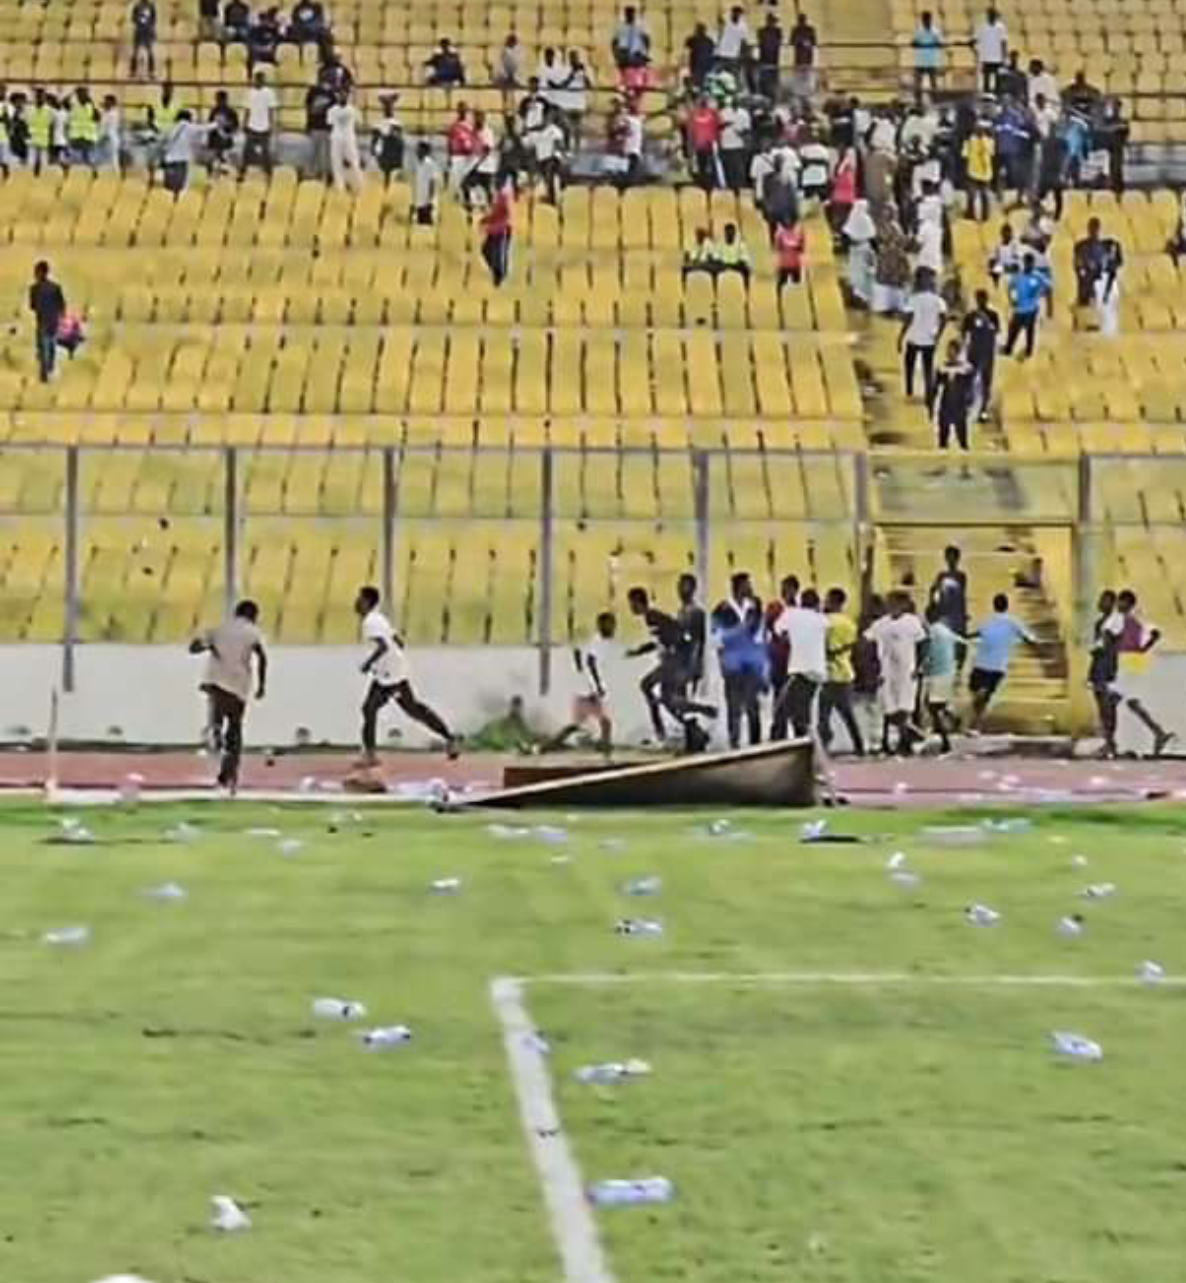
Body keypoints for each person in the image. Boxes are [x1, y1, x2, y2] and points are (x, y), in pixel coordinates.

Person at [355, 585, 459, 764]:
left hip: (388, 675)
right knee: (412, 709)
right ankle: (450, 738)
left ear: (366, 602)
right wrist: (392, 662)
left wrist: (368, 664)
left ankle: (370, 755)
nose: (356, 603)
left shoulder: (370, 622)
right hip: (395, 671)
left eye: (360, 599)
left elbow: (383, 646)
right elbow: (398, 641)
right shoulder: (380, 619)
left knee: (369, 709)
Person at [188, 599, 267, 794]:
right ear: (253, 615)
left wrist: (209, 647)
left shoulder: (220, 629)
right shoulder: (252, 632)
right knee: (235, 730)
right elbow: (262, 657)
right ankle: (228, 774)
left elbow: (195, 647)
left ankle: (214, 731)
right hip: (238, 685)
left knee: (217, 710)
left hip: (215, 681)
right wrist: (261, 685)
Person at [627, 585, 716, 749]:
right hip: (674, 660)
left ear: (638, 602)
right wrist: (638, 651)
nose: (630, 608)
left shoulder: (652, 616)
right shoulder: (651, 617)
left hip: (674, 662)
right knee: (669, 701)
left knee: (646, 685)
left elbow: (674, 633)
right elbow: (660, 639)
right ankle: (700, 720)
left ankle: (660, 731)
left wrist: (673, 649)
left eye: (631, 604)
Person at [1106, 589, 1174, 757]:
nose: (1118, 605)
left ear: (1126, 603)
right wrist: (1143, 649)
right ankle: (1159, 732)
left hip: (1126, 661)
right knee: (1132, 703)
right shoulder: (1137, 619)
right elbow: (1155, 634)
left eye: (1120, 602)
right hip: (1135, 662)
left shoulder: (1118, 618)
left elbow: (1107, 636)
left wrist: (1112, 652)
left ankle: (1108, 743)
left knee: (1109, 703)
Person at [544, 611, 617, 755]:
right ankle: (606, 752)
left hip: (582, 690)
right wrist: (597, 687)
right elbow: (590, 662)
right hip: (588, 691)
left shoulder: (596, 641)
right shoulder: (598, 643)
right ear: (601, 625)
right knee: (605, 723)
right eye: (611, 624)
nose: (613, 628)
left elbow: (579, 656)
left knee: (576, 725)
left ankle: (549, 745)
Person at [865, 591, 927, 755]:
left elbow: (923, 644)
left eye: (895, 603)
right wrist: (873, 669)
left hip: (907, 671)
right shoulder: (881, 624)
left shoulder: (912, 622)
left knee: (904, 708)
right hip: (887, 672)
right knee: (889, 709)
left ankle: (905, 741)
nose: (891, 606)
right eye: (889, 603)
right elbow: (867, 642)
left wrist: (920, 666)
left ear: (903, 605)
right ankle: (906, 735)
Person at [967, 593, 1038, 731]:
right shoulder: (1013, 622)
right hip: (998, 665)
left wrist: (964, 636)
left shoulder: (988, 620)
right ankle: (976, 723)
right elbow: (1028, 638)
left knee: (976, 691)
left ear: (994, 606)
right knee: (985, 695)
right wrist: (1036, 646)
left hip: (981, 663)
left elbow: (977, 633)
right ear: (1007, 606)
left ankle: (975, 722)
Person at [712, 573, 766, 749]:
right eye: (747, 585)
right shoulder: (722, 609)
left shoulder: (756, 606)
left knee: (753, 706)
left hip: (751, 664)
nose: (750, 588)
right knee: (734, 707)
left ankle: (755, 744)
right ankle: (734, 743)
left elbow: (760, 635)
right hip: (733, 665)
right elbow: (717, 639)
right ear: (738, 587)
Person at [818, 588, 864, 755]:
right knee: (848, 714)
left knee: (824, 715)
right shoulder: (849, 623)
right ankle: (859, 745)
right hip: (846, 672)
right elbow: (854, 645)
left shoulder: (825, 621)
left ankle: (824, 745)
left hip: (829, 673)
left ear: (833, 601)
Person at [898, 268, 947, 405]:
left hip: (913, 338)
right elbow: (944, 318)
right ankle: (928, 394)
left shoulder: (913, 300)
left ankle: (909, 391)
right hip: (929, 340)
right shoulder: (938, 301)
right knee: (928, 368)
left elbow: (908, 319)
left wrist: (900, 337)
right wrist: (938, 335)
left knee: (909, 366)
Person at [921, 603, 961, 754]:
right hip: (949, 672)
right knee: (938, 704)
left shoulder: (931, 632)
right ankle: (951, 716)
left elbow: (927, 654)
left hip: (936, 673)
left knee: (931, 706)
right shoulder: (946, 631)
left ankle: (945, 741)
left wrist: (922, 667)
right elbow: (961, 643)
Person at [764, 575, 799, 740]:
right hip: (779, 661)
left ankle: (799, 733)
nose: (785, 591)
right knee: (779, 698)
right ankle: (778, 734)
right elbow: (769, 626)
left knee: (797, 700)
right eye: (783, 588)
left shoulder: (801, 610)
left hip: (797, 661)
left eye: (789, 588)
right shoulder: (775, 607)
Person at [1088, 588, 1121, 759]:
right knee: (1102, 707)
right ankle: (1108, 742)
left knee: (1109, 707)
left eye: (1104, 600)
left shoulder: (1116, 623)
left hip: (1109, 668)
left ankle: (1111, 743)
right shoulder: (1099, 623)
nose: (1100, 603)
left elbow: (1110, 646)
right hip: (1098, 668)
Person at [961, 288, 1001, 422]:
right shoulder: (971, 315)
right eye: (979, 299)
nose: (981, 301)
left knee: (986, 381)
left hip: (987, 351)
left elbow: (996, 330)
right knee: (969, 377)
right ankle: (967, 403)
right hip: (974, 350)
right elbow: (964, 332)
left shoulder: (992, 315)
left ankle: (983, 409)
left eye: (982, 298)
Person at [1003, 252, 1049, 359]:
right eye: (1027, 263)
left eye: (1031, 263)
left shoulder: (1038, 276)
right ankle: (1008, 348)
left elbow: (1047, 286)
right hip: (1019, 308)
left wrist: (1039, 293)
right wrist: (1011, 300)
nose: (1029, 265)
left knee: (1030, 330)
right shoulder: (1018, 276)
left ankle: (1028, 351)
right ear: (1024, 263)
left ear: (1033, 264)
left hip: (1031, 309)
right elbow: (1010, 288)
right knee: (1013, 329)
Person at [932, 338, 975, 450]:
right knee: (942, 440)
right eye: (948, 350)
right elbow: (935, 387)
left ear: (958, 352)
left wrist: (969, 401)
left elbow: (969, 387)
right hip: (945, 406)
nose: (950, 353)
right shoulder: (942, 368)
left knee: (963, 440)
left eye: (952, 351)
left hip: (959, 407)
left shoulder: (966, 369)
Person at [29, 260, 66, 384]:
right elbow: (61, 305)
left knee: (43, 347)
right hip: (53, 321)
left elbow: (32, 306)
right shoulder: (55, 287)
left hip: (43, 321)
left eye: (36, 272)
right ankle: (48, 368)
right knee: (50, 346)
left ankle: (45, 372)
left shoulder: (34, 289)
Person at [241, 71, 277, 176]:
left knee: (265, 151)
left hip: (264, 126)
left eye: (261, 80)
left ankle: (268, 171)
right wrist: (244, 123)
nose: (258, 82)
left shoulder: (269, 92)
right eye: (257, 79)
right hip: (252, 125)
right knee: (247, 150)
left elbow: (271, 110)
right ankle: (243, 170)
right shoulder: (250, 93)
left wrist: (271, 124)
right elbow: (247, 110)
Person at [480, 178, 514, 286]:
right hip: (495, 230)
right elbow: (496, 213)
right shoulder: (498, 196)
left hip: (502, 230)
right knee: (486, 251)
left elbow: (507, 216)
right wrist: (486, 219)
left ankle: (499, 277)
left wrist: (492, 226)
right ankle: (496, 273)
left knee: (499, 255)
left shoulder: (504, 197)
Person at [328, 89, 363, 192]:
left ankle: (359, 186)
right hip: (336, 139)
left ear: (348, 97)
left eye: (344, 95)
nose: (342, 97)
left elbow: (359, 124)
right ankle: (340, 188)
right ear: (337, 96)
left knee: (354, 162)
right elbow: (330, 124)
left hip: (349, 139)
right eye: (340, 95)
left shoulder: (353, 110)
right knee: (336, 163)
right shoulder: (332, 110)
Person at [687, 95, 722, 190]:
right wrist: (690, 146)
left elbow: (718, 128)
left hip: (708, 145)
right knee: (703, 167)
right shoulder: (694, 114)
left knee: (709, 167)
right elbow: (690, 132)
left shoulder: (712, 113)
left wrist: (718, 142)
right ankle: (705, 185)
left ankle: (711, 184)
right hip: (701, 145)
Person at [963, 122, 994, 223]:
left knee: (982, 194)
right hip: (975, 171)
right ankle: (971, 213)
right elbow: (965, 154)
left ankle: (983, 214)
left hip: (982, 172)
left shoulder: (988, 141)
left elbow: (964, 155)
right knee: (973, 194)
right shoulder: (971, 141)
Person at [304, 78, 335, 179]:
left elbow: (334, 111)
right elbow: (308, 109)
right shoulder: (313, 91)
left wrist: (332, 127)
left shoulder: (332, 93)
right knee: (313, 152)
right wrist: (308, 125)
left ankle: (325, 174)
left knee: (327, 154)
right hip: (315, 127)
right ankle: (310, 173)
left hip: (326, 127)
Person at [973, 6, 1008, 93]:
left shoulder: (1001, 27)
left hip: (997, 58)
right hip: (986, 58)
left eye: (993, 14)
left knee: (998, 80)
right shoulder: (982, 27)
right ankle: (986, 97)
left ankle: (997, 96)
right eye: (990, 14)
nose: (992, 16)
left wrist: (1004, 58)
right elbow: (975, 39)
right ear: (987, 15)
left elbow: (1003, 43)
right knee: (986, 80)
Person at [372, 94, 404, 184]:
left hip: (391, 150)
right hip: (383, 150)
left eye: (390, 107)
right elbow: (375, 139)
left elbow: (400, 141)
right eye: (386, 107)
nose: (388, 109)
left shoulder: (397, 124)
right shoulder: (379, 124)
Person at [912, 12, 945, 99]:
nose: (926, 21)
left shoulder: (936, 31)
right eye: (924, 19)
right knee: (918, 82)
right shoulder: (918, 31)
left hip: (931, 60)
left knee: (933, 82)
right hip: (920, 60)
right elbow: (913, 43)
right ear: (922, 20)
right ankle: (918, 101)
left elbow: (941, 44)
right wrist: (918, 44)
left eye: (927, 19)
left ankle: (935, 99)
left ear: (930, 19)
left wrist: (936, 44)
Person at [789, 12, 818, 102]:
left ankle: (807, 93)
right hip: (799, 57)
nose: (801, 22)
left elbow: (814, 42)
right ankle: (799, 93)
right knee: (799, 76)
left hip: (808, 57)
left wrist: (808, 43)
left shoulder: (810, 30)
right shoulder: (795, 30)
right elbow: (791, 42)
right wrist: (799, 41)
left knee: (807, 76)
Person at [67, 88, 99, 170]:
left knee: (89, 160)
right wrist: (72, 93)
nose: (80, 97)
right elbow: (63, 103)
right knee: (76, 161)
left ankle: (93, 176)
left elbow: (97, 118)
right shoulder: (75, 106)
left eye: (83, 94)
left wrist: (91, 103)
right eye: (79, 95)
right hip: (76, 138)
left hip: (88, 138)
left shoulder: (92, 107)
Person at [612, 6, 650, 70]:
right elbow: (614, 42)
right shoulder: (620, 27)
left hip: (637, 54)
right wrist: (616, 55)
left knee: (638, 72)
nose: (630, 16)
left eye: (632, 14)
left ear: (634, 14)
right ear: (625, 15)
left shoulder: (640, 26)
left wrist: (646, 52)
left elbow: (646, 39)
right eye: (628, 14)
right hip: (623, 53)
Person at [411, 141, 440, 225]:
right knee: (420, 225)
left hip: (427, 201)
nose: (417, 152)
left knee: (427, 225)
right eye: (417, 150)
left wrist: (430, 201)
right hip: (419, 200)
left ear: (425, 151)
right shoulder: (417, 164)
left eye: (419, 150)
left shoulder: (430, 164)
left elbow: (433, 182)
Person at [756, 13, 783, 100]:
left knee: (773, 81)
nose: (772, 23)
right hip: (764, 59)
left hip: (774, 60)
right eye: (771, 21)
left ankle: (773, 98)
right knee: (764, 80)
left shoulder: (778, 31)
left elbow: (778, 42)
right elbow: (761, 42)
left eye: (773, 21)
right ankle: (764, 96)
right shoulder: (761, 31)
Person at [774, 220, 806, 289]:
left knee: (782, 282)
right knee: (795, 283)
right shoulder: (798, 232)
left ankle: (779, 296)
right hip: (794, 262)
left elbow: (777, 247)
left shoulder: (780, 233)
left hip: (785, 262)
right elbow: (802, 248)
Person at [131, 0, 158, 77]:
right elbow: (133, 18)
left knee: (150, 51)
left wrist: (149, 27)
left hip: (148, 31)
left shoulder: (151, 6)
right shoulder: (137, 6)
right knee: (135, 51)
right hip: (139, 31)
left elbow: (154, 19)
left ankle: (151, 71)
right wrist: (140, 22)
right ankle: (133, 71)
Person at [97, 94, 123, 173]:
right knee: (98, 155)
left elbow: (107, 127)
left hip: (111, 136)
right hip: (103, 136)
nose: (105, 102)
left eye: (107, 101)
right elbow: (100, 122)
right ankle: (98, 172)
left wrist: (103, 110)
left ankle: (116, 173)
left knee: (114, 156)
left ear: (112, 102)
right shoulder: (104, 111)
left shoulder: (114, 112)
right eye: (105, 101)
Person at [686, 22, 716, 87]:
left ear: (696, 30)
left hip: (697, 64)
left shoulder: (692, 39)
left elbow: (687, 48)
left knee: (696, 82)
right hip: (707, 65)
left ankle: (697, 90)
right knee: (703, 82)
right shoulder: (709, 40)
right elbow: (712, 51)